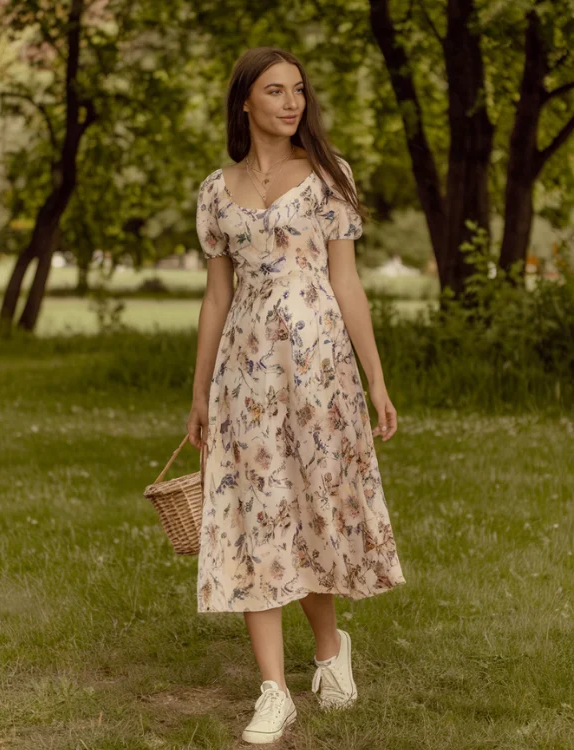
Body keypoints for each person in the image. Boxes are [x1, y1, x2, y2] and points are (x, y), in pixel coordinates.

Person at [187, 45, 406, 745]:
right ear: (244, 101)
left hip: (320, 374)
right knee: (257, 515)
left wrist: (375, 379)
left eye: (299, 91)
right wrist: (198, 393)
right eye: (275, 91)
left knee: (312, 511)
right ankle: (272, 691)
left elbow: (346, 283)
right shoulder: (216, 191)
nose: (291, 102)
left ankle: (328, 649)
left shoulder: (327, 177)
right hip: (245, 377)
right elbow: (216, 296)